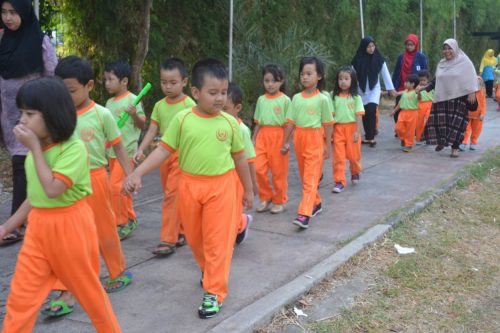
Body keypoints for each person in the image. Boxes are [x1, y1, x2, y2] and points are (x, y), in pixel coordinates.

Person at [124, 59, 253, 318]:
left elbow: (240, 158)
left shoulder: (229, 124)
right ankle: (208, 270)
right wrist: (137, 172)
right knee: (195, 239)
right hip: (190, 186)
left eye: (223, 93)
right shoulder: (183, 120)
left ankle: (214, 291)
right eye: (212, 92)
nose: (219, 99)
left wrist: (248, 190)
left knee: (217, 242)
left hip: (222, 188)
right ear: (196, 92)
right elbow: (163, 150)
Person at [0, 77, 122, 333]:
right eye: (21, 112)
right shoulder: (38, 151)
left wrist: (34, 149)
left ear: (53, 115)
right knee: (21, 297)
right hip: (38, 230)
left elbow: (53, 190)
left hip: (71, 226)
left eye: (30, 113)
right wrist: (7, 226)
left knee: (90, 296)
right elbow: (36, 198)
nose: (22, 120)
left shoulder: (73, 148)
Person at [43, 56, 133, 317]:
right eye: (62, 91)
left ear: (89, 85)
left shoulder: (101, 114)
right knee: (68, 238)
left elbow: (118, 146)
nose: (66, 96)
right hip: (65, 183)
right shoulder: (55, 115)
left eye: (71, 91)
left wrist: (130, 176)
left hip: (95, 178)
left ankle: (116, 272)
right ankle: (65, 290)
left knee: (105, 230)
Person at [0, 0, 57, 244]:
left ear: (23, 12)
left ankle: (16, 222)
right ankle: (29, 217)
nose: (8, 17)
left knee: (22, 163)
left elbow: (52, 75)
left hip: (33, 114)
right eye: (3, 12)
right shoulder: (3, 41)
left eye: (13, 12)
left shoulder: (40, 41)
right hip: (8, 113)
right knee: (25, 164)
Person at [134, 57, 196, 256]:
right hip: (163, 154)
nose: (167, 87)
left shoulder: (190, 104)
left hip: (182, 155)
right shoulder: (160, 106)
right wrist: (141, 149)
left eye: (173, 83)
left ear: (184, 82)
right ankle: (181, 232)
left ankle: (167, 240)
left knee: (172, 195)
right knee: (174, 195)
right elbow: (152, 130)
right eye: (164, 82)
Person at [282, 56, 334, 229]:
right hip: (299, 139)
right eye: (302, 74)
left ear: (319, 76)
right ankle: (316, 203)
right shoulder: (296, 98)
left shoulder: (323, 99)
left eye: (309, 73)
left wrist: (327, 145)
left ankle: (304, 213)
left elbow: (328, 124)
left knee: (310, 178)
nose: (304, 77)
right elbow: (290, 122)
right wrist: (285, 142)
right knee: (306, 176)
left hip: (315, 139)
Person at [104, 60, 146, 240]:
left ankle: (122, 222)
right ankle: (130, 217)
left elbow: (143, 123)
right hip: (112, 153)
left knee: (115, 187)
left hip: (126, 152)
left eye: (110, 79)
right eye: (105, 80)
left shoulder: (132, 100)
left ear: (124, 81)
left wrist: (134, 114)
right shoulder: (109, 102)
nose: (107, 83)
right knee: (122, 188)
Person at [419, 39, 478, 158]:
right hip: (443, 98)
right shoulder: (442, 64)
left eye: (449, 48)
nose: (446, 51)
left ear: (455, 48)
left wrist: (472, 91)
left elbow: (471, 76)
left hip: (459, 99)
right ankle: (442, 141)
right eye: (444, 48)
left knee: (457, 124)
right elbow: (437, 80)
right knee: (441, 123)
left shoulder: (464, 61)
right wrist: (425, 88)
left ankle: (455, 148)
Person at [252, 64, 290, 214]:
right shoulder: (261, 100)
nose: (270, 84)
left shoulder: (286, 100)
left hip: (279, 136)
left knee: (278, 172)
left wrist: (286, 142)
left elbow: (289, 124)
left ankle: (279, 200)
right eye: (267, 81)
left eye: (274, 81)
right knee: (257, 168)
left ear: (281, 81)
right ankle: (265, 196)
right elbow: (258, 122)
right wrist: (253, 139)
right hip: (262, 137)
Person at [223, 82, 258, 245]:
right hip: (221, 177)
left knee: (232, 213)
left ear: (237, 108)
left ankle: (242, 223)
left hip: (238, 179)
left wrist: (251, 186)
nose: (221, 113)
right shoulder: (217, 125)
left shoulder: (242, 130)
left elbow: (249, 160)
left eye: (225, 109)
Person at [351, 36, 396, 147]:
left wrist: (390, 88)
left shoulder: (378, 58)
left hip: (374, 88)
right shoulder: (357, 60)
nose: (371, 49)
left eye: (373, 46)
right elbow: (351, 75)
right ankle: (369, 136)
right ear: (363, 47)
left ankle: (370, 137)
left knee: (371, 109)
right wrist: (350, 90)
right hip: (360, 89)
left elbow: (385, 73)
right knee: (365, 112)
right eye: (368, 46)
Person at [330, 66, 364, 193]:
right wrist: (331, 132)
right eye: (340, 79)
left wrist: (357, 131)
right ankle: (339, 181)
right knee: (338, 157)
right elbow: (331, 115)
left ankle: (355, 171)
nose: (343, 81)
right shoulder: (333, 97)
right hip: (338, 129)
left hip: (352, 129)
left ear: (352, 80)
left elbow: (359, 114)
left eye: (346, 78)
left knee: (354, 156)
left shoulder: (356, 98)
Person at [391, 34, 428, 123]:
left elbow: (425, 72)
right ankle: (399, 128)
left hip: (415, 89)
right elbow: (396, 73)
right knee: (399, 108)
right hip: (401, 87)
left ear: (416, 45)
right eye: (407, 44)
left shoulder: (421, 57)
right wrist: (392, 88)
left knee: (413, 109)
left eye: (411, 44)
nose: (409, 47)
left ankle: (412, 129)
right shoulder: (401, 57)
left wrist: (423, 86)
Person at [391, 74, 420, 152]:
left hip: (412, 113)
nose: (404, 84)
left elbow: (419, 98)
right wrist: (394, 111)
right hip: (402, 113)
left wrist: (419, 92)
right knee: (398, 128)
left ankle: (409, 145)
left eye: (406, 82)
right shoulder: (404, 92)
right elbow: (400, 103)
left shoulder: (415, 93)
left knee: (410, 130)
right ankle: (403, 138)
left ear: (412, 84)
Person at [460, 77, 486, 151]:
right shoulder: (468, 93)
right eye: (476, 84)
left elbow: (483, 104)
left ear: (481, 85)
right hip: (467, 115)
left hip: (478, 116)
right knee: (465, 129)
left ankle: (473, 142)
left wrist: (482, 114)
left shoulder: (482, 93)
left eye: (479, 84)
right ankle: (463, 142)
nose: (477, 86)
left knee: (476, 130)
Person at [415, 70, 433, 145]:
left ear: (427, 80)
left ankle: (428, 137)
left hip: (430, 105)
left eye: (424, 80)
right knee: (419, 123)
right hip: (420, 105)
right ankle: (419, 138)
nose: (422, 82)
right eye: (420, 80)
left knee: (429, 121)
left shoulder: (431, 87)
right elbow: (415, 97)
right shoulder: (417, 88)